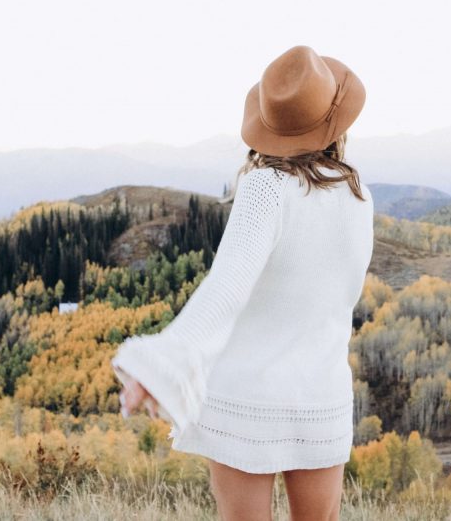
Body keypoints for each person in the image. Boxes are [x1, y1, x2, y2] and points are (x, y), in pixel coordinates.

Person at [111, 44, 373, 521]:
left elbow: (225, 288)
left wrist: (163, 361)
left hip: (246, 397)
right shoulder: (358, 196)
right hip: (321, 392)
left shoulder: (264, 188)